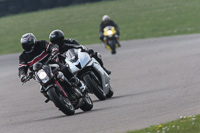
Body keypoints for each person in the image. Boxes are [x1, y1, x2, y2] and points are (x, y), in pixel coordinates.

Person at [18, 33, 87, 93]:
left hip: (51, 64)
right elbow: (22, 67)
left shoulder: (41, 43)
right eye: (25, 45)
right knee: (42, 89)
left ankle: (79, 84)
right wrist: (23, 75)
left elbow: (51, 46)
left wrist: (54, 49)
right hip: (39, 73)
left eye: (28, 44)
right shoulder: (23, 57)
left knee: (64, 69)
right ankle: (55, 97)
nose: (27, 46)